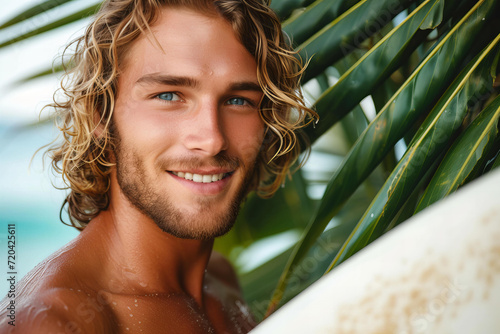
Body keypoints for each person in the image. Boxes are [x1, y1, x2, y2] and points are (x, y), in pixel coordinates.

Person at [0, 0, 316, 332]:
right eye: (168, 95)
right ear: (101, 115)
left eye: (238, 100)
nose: (212, 140)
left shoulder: (218, 281)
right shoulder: (54, 323)